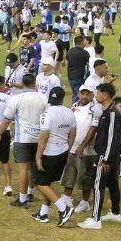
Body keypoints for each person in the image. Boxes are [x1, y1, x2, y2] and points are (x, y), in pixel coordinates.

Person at [78, 84, 121, 230]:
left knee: (98, 186)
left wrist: (105, 159)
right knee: (112, 183)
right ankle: (115, 213)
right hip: (110, 155)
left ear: (105, 95)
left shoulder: (111, 113)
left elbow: (112, 139)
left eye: (98, 93)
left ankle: (95, 219)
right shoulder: (108, 111)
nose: (96, 95)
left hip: (105, 156)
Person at [31, 87, 77, 226]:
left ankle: (64, 208)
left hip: (49, 153)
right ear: (63, 99)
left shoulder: (47, 113)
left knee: (40, 183)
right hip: (62, 151)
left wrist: (38, 157)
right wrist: (68, 151)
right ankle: (43, 213)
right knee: (48, 182)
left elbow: (44, 137)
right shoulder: (70, 112)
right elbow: (72, 134)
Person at [1, 72, 46, 209]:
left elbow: (6, 119)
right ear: (34, 84)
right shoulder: (43, 98)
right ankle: (31, 192)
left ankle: (22, 199)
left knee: (23, 169)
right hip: (39, 138)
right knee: (33, 167)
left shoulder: (16, 98)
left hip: (23, 138)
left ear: (22, 84)